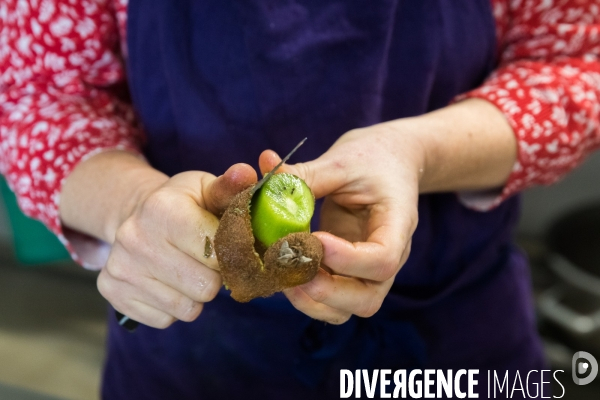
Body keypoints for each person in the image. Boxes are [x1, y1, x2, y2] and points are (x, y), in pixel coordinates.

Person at [1, 0, 600, 398]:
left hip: (455, 332)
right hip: (194, 344)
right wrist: (133, 205)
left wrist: (418, 151)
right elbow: (37, 99)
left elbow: (576, 66)